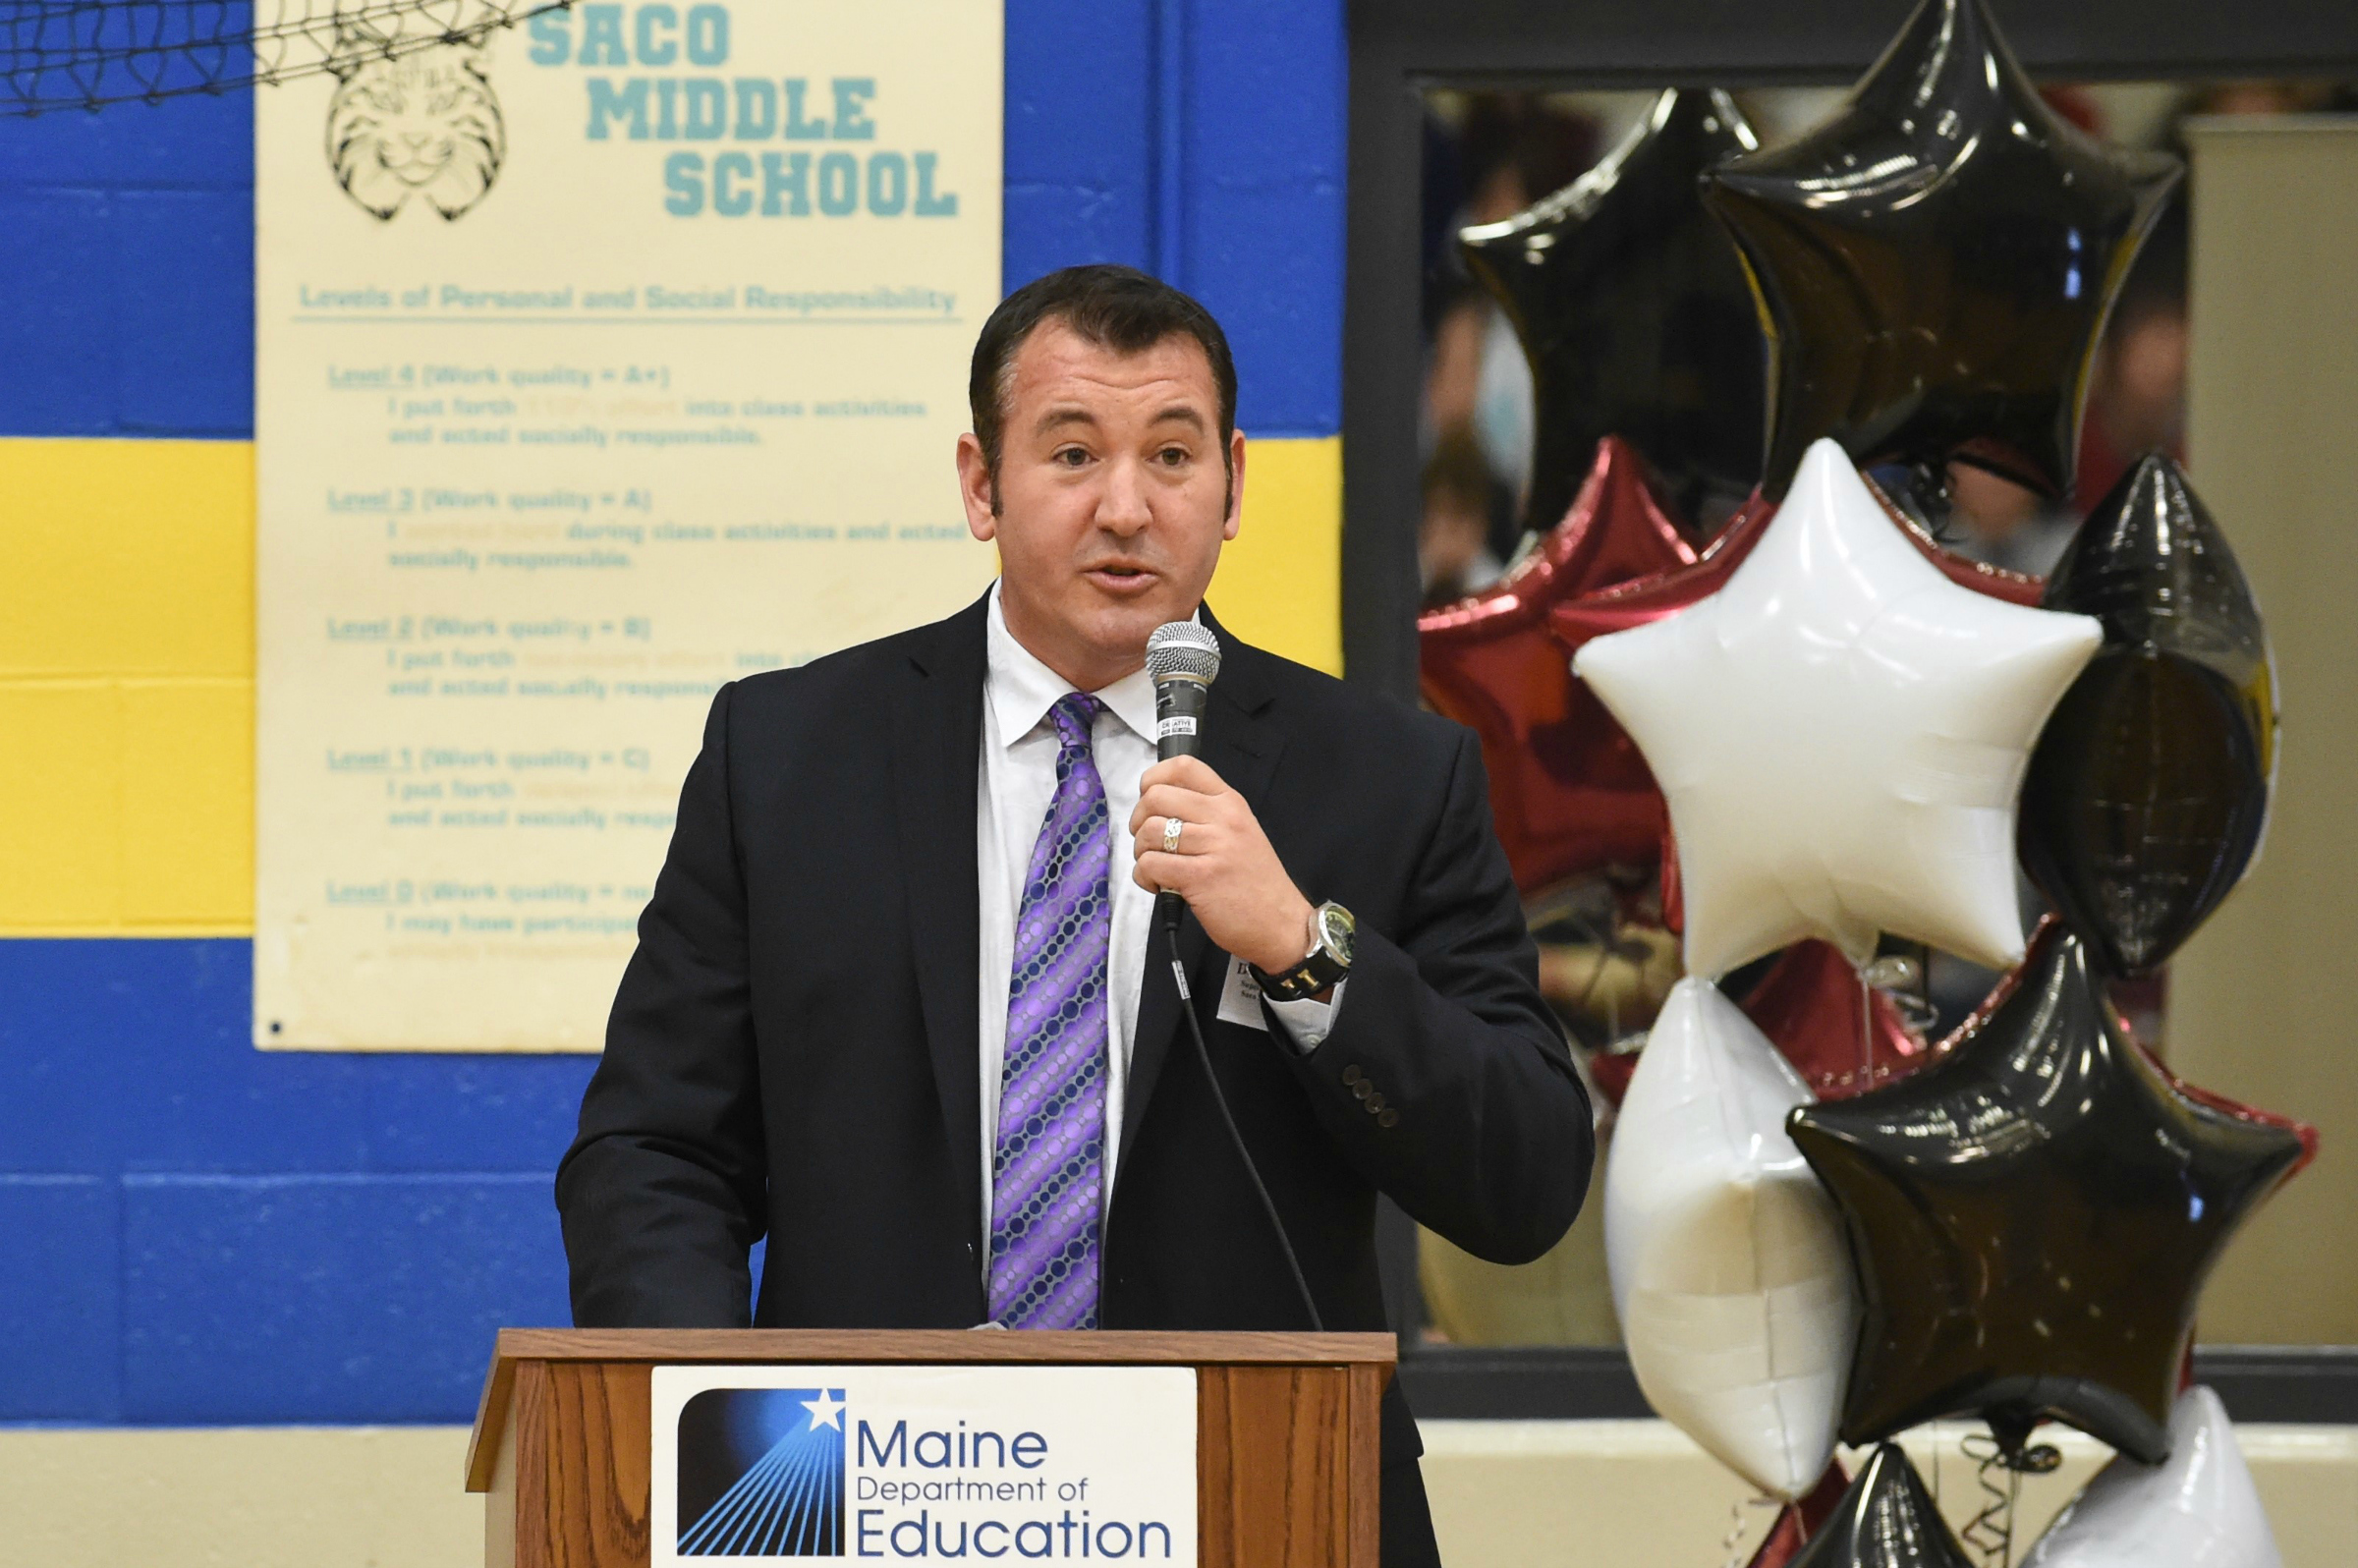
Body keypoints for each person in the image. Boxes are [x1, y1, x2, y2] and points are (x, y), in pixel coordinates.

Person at [556, 263, 1594, 1567]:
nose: (1126, 507)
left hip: (1256, 1503)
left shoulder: (1385, 777)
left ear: (1234, 487)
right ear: (980, 487)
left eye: (1173, 455)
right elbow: (654, 1151)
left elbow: (1524, 1180)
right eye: (1071, 453)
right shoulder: (790, 756)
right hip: (868, 1501)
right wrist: (703, 1429)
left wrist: (1302, 950)